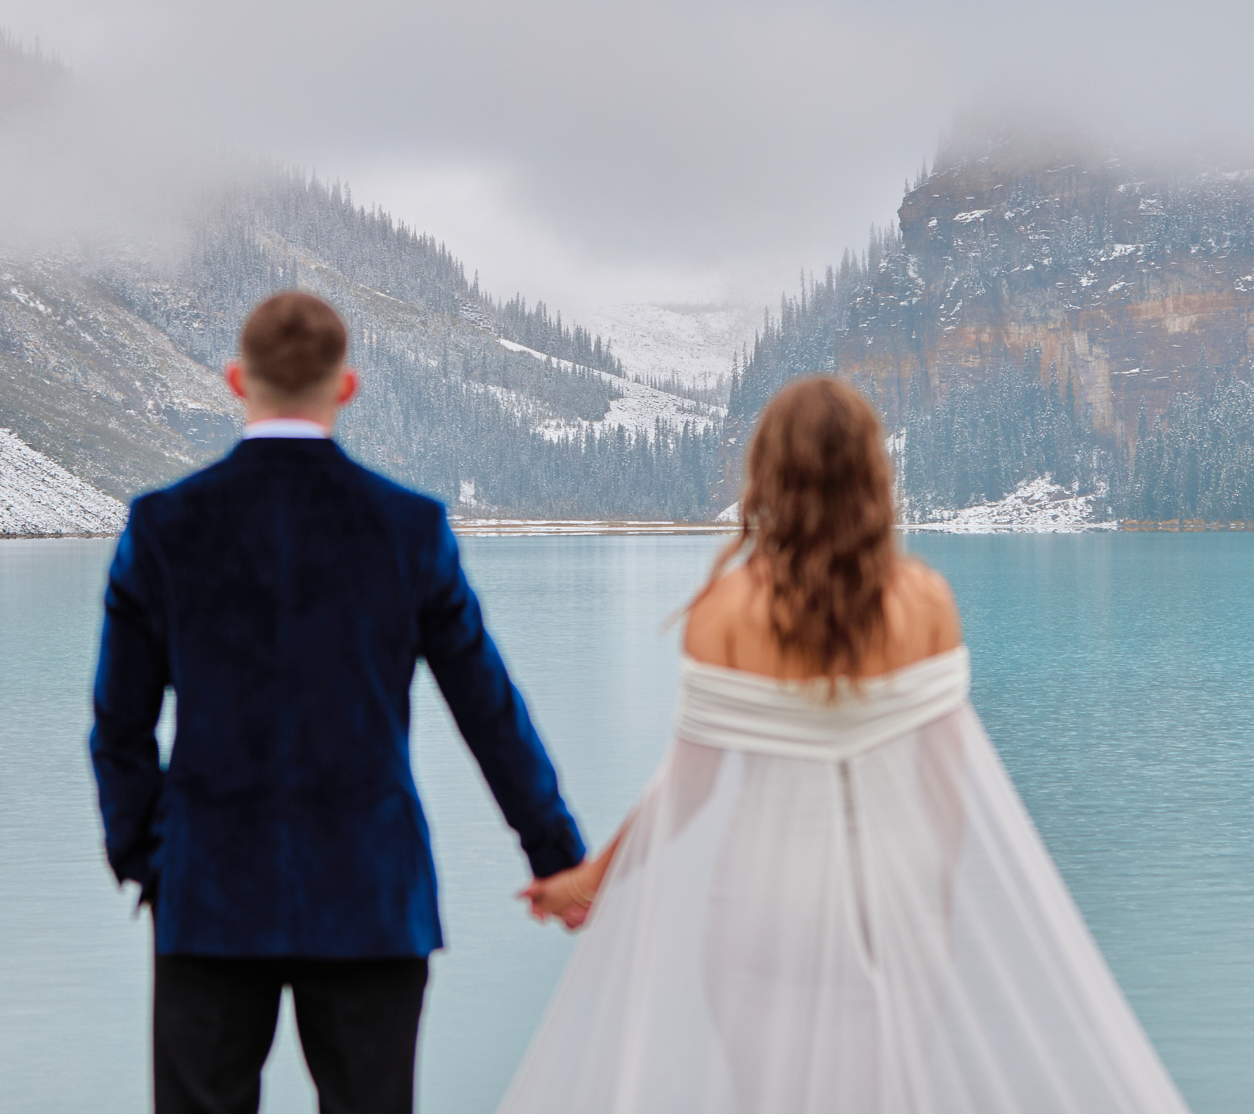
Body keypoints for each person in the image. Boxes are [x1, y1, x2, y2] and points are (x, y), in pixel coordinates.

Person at [498, 376, 1194, 1114]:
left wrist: (591, 877)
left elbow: (688, 789)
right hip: (892, 900)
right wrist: (928, 904)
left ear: (768, 474)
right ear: (872, 475)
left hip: (763, 903)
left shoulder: (725, 609)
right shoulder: (925, 600)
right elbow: (946, 793)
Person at [91, 291, 586, 1114]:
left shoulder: (163, 526)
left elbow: (119, 727)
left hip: (210, 888)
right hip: (370, 890)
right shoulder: (408, 528)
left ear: (235, 380)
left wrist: (150, 859)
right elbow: (487, 707)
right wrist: (557, 856)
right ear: (346, 387)